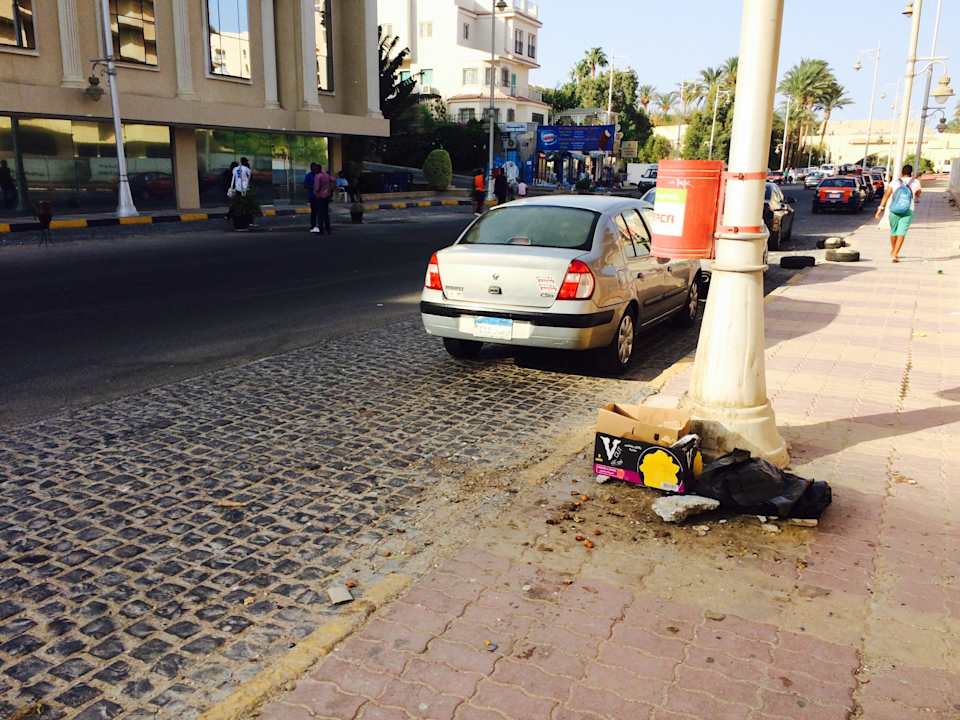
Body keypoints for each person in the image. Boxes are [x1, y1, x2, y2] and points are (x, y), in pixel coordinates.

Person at [875, 164, 922, 263]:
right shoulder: (916, 182)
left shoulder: (895, 182)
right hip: (908, 210)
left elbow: (886, 195)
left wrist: (880, 209)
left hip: (894, 210)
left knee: (894, 231)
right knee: (902, 232)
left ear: (902, 172)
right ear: (911, 173)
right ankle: (895, 254)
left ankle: (894, 251)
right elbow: (918, 195)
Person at [312, 165, 333, 234]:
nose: (314, 170)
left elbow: (317, 188)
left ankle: (321, 229)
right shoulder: (326, 175)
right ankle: (328, 229)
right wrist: (330, 189)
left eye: (315, 169)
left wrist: (315, 192)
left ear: (318, 169)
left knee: (320, 213)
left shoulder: (317, 176)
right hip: (326, 195)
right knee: (326, 213)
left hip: (320, 196)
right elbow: (333, 180)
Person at [304, 162, 318, 231]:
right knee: (314, 212)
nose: (314, 168)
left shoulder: (319, 175)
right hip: (312, 196)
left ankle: (320, 225)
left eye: (315, 167)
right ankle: (313, 225)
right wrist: (313, 187)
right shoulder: (308, 175)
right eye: (312, 167)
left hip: (320, 196)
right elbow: (305, 185)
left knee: (320, 211)